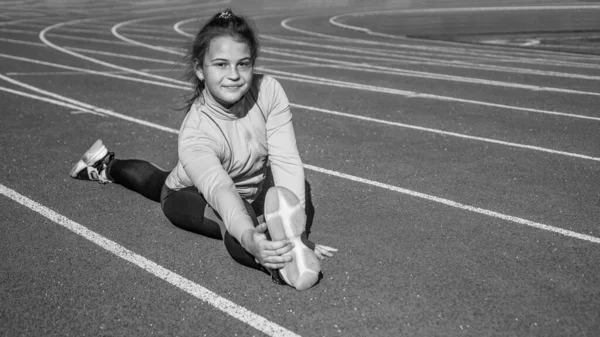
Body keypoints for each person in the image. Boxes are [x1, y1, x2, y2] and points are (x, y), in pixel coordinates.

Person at [69, 9, 336, 290]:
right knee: (232, 214)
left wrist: (298, 235)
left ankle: (106, 164)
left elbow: (286, 161)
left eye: (243, 64)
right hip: (188, 194)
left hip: (201, 179)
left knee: (156, 179)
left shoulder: (269, 91)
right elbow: (222, 193)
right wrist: (252, 242)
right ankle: (277, 267)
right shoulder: (195, 133)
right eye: (220, 64)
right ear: (200, 69)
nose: (233, 75)